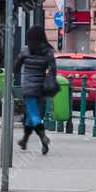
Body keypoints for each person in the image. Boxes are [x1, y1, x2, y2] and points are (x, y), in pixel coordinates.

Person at [13, 25, 55, 155]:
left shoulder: (26, 51)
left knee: (34, 115)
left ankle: (43, 138)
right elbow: (53, 69)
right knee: (32, 115)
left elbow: (16, 67)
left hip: (28, 88)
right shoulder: (48, 51)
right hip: (41, 88)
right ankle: (25, 141)